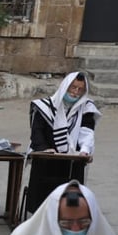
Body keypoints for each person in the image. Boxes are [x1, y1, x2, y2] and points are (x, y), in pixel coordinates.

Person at [25, 72, 99, 216]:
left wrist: (85, 150)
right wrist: (45, 149)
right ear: (65, 86)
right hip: (47, 157)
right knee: (42, 194)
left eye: (80, 89)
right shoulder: (44, 107)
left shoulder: (86, 108)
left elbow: (87, 132)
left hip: (72, 160)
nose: (75, 92)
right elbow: (37, 132)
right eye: (72, 87)